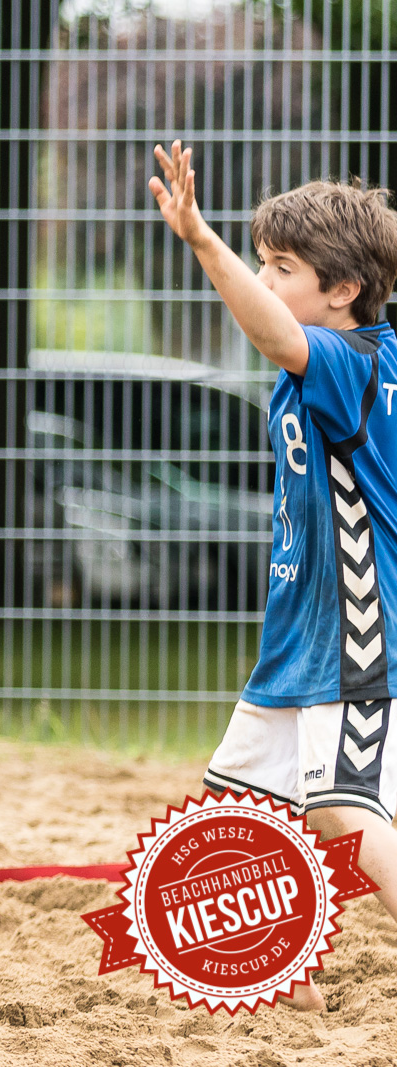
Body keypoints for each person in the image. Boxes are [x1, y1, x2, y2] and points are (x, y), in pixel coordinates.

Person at [151, 141, 397, 1010]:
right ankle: (288, 990)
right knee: (237, 817)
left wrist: (202, 241)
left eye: (281, 266)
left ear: (344, 291)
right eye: (261, 260)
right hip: (297, 637)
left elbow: (275, 329)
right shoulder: (319, 368)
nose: (265, 276)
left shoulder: (352, 359)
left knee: (340, 807)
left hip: (357, 633)